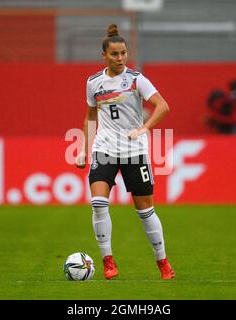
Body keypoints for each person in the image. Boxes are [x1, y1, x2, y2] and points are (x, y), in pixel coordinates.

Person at [75, 24, 175, 280]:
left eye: (123, 53)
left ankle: (163, 262)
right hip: (104, 148)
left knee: (144, 211)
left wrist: (144, 128)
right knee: (98, 204)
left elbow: (162, 106)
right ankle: (108, 262)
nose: (120, 59)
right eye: (115, 54)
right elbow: (90, 116)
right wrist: (84, 149)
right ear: (104, 56)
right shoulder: (94, 82)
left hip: (134, 151)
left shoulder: (136, 79)